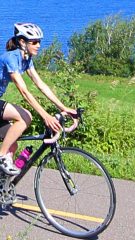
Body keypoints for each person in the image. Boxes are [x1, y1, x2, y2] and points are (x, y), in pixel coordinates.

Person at [0, 22, 76, 175]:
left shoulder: (26, 59)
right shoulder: (11, 58)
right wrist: (45, 116)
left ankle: (3, 188)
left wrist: (63, 108)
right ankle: (1, 157)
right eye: (34, 42)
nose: (39, 45)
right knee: (25, 117)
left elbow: (41, 85)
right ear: (22, 42)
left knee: (12, 145)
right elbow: (24, 91)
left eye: (39, 42)